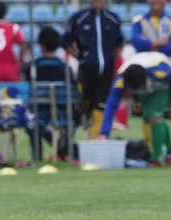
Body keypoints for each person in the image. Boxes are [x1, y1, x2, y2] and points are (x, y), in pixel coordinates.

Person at [63, 0, 123, 140]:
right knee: (83, 107)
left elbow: (119, 42)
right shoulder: (78, 18)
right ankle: (66, 144)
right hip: (86, 71)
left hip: (106, 72)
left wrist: (111, 58)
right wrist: (81, 57)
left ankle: (95, 142)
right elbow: (65, 42)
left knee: (101, 106)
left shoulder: (113, 18)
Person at [99, 52, 171, 166]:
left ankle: (155, 159)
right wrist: (104, 133)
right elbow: (111, 105)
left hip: (162, 87)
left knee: (154, 115)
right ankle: (168, 152)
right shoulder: (121, 80)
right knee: (148, 117)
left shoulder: (160, 71)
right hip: (146, 85)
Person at [24, 26, 78, 162]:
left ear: (41, 45)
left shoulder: (34, 66)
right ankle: (63, 148)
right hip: (62, 111)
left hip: (39, 111)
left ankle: (37, 157)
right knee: (73, 118)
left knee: (32, 124)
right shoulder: (64, 66)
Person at [131, 0, 171, 152]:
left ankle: (159, 152)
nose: (156, 2)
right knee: (149, 113)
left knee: (155, 114)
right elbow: (136, 42)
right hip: (145, 73)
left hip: (166, 72)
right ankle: (154, 150)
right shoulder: (139, 21)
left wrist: (148, 43)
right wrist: (160, 43)